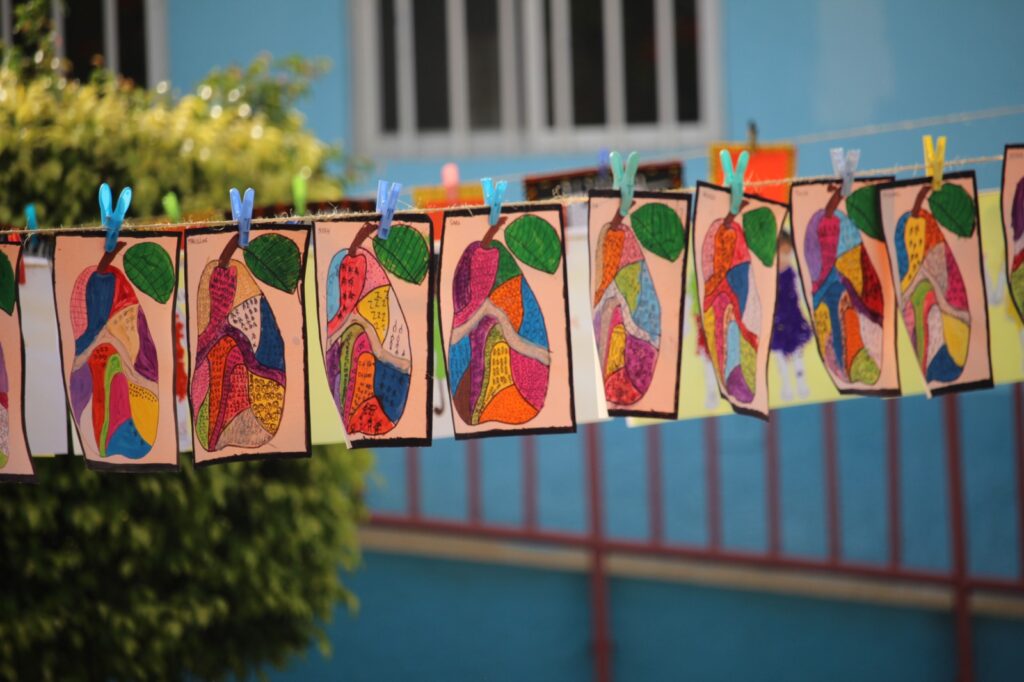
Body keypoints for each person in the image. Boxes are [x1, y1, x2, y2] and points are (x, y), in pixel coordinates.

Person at [771, 230, 812, 401]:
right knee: (780, 355)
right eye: (781, 253)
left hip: (793, 318)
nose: (785, 258)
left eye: (788, 253)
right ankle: (786, 384)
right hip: (777, 322)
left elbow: (799, 292)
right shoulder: (770, 277)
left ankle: (801, 381)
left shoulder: (791, 274)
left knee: (797, 353)